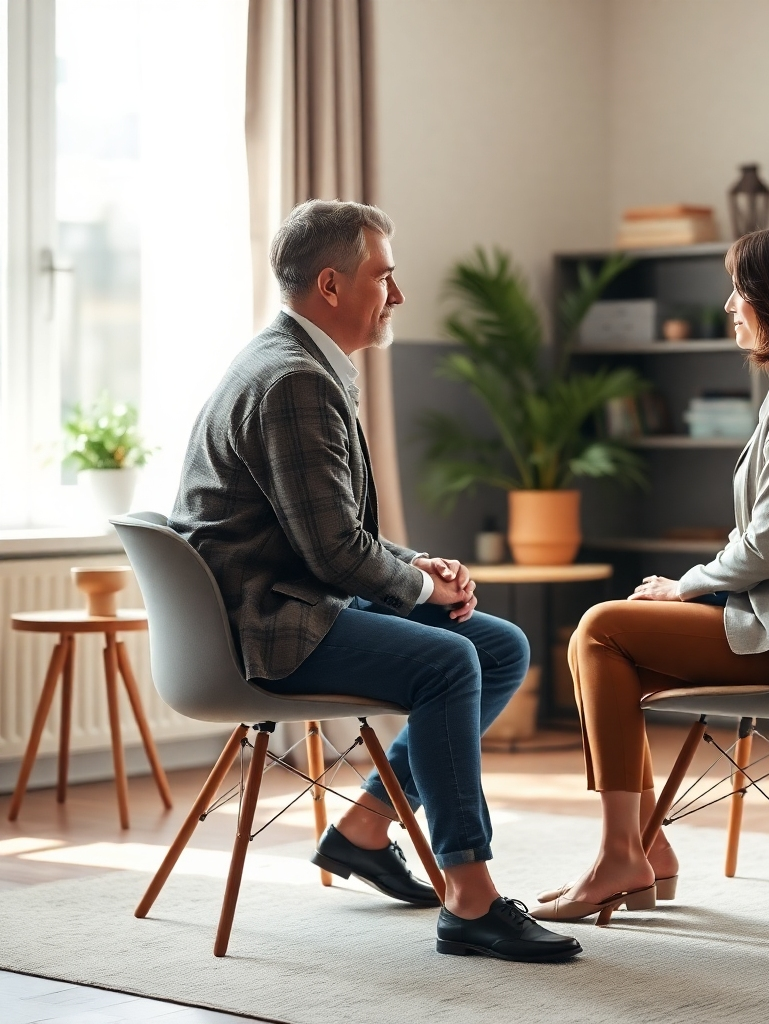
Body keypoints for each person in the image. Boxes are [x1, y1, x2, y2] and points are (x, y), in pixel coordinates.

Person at [170, 199, 581, 963]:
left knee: (498, 647)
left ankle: (364, 827)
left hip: (291, 592)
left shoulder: (297, 360)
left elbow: (325, 532)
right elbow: (330, 552)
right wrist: (424, 590)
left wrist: (417, 569)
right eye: (384, 277)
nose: (398, 295)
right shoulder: (294, 379)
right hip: (267, 622)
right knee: (450, 658)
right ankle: (472, 898)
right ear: (332, 285)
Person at [531, 224, 769, 922]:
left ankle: (623, 855)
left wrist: (682, 585)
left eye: (740, 289)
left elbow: (761, 551)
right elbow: (767, 542)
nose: (729, 305)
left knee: (601, 629)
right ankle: (642, 849)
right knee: (608, 647)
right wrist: (690, 588)